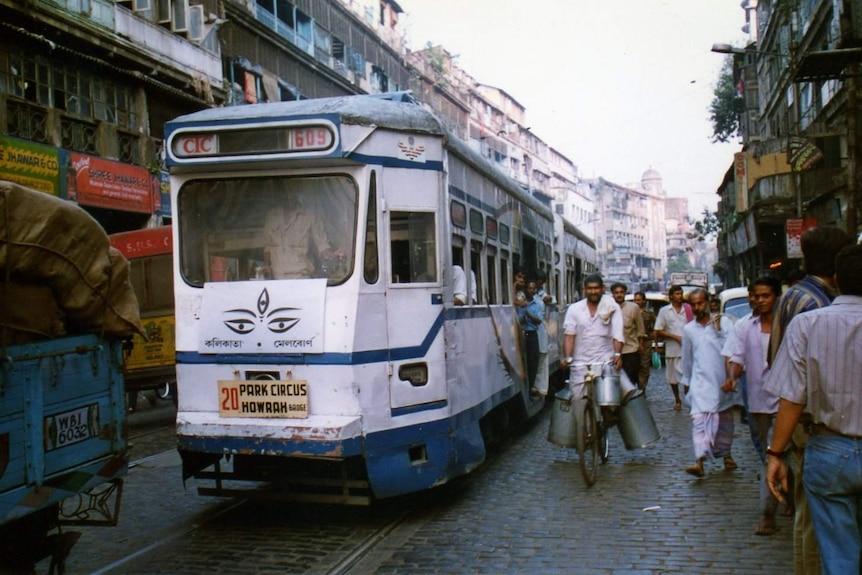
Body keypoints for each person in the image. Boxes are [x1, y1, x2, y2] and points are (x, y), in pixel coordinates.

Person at [765, 244, 862, 575]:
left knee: (838, 558)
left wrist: (775, 453)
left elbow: (791, 398)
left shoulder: (807, 325)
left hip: (829, 450)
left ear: (836, 281)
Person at [723, 276, 785, 535]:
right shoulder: (744, 327)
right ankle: (774, 505)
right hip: (758, 402)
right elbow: (735, 358)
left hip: (787, 402)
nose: (759, 301)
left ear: (776, 297)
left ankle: (770, 511)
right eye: (755, 296)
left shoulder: (790, 325)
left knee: (778, 455)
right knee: (767, 454)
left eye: (765, 296)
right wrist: (732, 377)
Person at [681, 288, 737, 477]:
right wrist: (686, 381)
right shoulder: (689, 329)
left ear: (708, 303)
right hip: (700, 383)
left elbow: (732, 349)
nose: (697, 307)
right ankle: (699, 461)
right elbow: (687, 358)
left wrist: (719, 330)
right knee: (699, 420)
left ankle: (726, 454)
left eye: (700, 303)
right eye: (693, 304)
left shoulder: (724, 323)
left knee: (724, 421)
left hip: (722, 381)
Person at [562, 274, 635, 402]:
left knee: (619, 398)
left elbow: (617, 333)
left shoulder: (612, 307)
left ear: (602, 289)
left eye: (596, 288)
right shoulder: (574, 309)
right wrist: (568, 357)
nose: (593, 291)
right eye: (590, 288)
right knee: (577, 401)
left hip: (605, 358)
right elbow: (569, 336)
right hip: (580, 361)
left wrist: (618, 354)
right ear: (584, 290)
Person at [263, 193, 335, 279]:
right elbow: (268, 245)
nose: (288, 196)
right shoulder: (272, 215)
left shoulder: (310, 216)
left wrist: (332, 256)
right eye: (284, 193)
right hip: (277, 276)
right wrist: (266, 265)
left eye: (290, 192)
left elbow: (322, 245)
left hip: (302, 276)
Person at [654, 285, 691, 410]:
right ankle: (677, 400)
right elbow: (658, 330)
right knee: (673, 379)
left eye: (681, 293)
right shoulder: (664, 311)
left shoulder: (688, 309)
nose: (679, 296)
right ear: (671, 296)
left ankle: (688, 398)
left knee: (688, 376)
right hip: (672, 349)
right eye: (677, 294)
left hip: (687, 349)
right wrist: (675, 337)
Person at [611, 282, 645, 389]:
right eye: (616, 293)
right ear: (612, 294)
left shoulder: (633, 308)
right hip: (612, 352)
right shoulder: (608, 308)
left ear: (625, 293)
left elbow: (640, 328)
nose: (619, 295)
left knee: (630, 381)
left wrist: (640, 345)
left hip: (630, 350)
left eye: (621, 292)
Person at [518, 279, 543, 395]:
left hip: (532, 334)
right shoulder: (520, 303)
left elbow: (539, 321)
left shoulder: (537, 304)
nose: (531, 290)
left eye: (533, 288)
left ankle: (530, 387)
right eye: (529, 288)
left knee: (533, 363)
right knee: (523, 362)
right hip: (522, 334)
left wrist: (528, 314)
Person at [634, 291, 657, 392]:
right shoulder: (631, 313)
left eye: (639, 300)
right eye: (635, 300)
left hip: (646, 342)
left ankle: (642, 388)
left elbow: (655, 329)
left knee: (644, 366)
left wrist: (655, 343)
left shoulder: (649, 314)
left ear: (644, 301)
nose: (637, 302)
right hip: (633, 342)